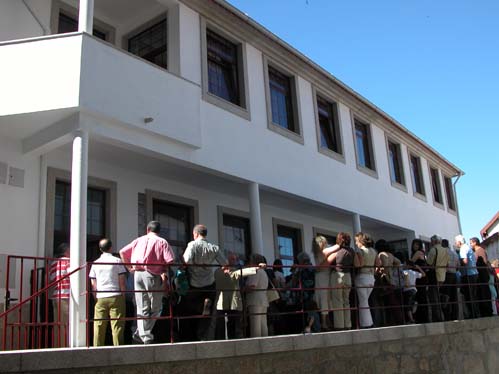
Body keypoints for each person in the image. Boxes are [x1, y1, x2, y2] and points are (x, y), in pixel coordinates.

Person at [119, 221, 174, 344]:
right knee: (157, 307)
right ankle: (146, 335)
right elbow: (170, 260)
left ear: (148, 230)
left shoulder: (138, 240)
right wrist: (164, 274)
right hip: (152, 275)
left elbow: (122, 252)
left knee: (142, 306)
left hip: (137, 274)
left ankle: (141, 334)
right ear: (159, 231)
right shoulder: (162, 242)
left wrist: (129, 269)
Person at [182, 224, 227, 341]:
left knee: (190, 312)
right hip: (210, 284)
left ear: (195, 234)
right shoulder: (214, 247)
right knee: (207, 315)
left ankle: (192, 338)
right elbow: (225, 263)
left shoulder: (192, 245)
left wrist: (194, 265)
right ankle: (203, 336)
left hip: (194, 284)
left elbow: (186, 260)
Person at [214, 252, 266, 339]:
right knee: (233, 326)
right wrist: (258, 267)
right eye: (232, 259)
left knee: (222, 325)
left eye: (234, 259)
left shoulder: (217, 271)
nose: (234, 262)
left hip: (221, 302)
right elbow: (242, 271)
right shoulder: (232, 271)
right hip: (233, 302)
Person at [89, 238, 127, 346]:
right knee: (117, 327)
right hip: (116, 295)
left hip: (101, 296)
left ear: (100, 249)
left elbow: (93, 284)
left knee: (99, 326)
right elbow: (122, 281)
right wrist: (123, 296)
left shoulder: (95, 263)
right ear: (111, 247)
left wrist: (96, 297)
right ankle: (118, 350)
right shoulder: (117, 261)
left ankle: (97, 349)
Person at [328, 232, 357, 330]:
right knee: (346, 301)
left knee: (338, 301)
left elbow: (328, 261)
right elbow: (356, 263)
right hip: (348, 276)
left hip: (338, 276)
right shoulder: (352, 251)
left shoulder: (338, 251)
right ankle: (348, 325)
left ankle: (339, 326)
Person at [375, 239, 403, 326]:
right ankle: (395, 320)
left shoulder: (381, 254)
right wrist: (392, 269)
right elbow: (398, 262)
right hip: (391, 280)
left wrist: (383, 273)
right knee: (392, 301)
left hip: (385, 280)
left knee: (388, 302)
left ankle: (393, 321)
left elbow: (386, 265)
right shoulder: (390, 254)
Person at [354, 232, 377, 329]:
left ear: (361, 241)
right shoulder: (374, 251)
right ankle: (368, 323)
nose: (356, 243)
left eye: (356, 241)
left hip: (362, 277)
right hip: (371, 278)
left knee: (363, 302)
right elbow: (378, 264)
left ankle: (366, 324)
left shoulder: (360, 251)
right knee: (365, 301)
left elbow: (359, 264)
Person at [49, 243, 70, 348]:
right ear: (66, 251)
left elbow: (50, 279)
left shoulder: (53, 263)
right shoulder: (68, 261)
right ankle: (65, 347)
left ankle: (56, 346)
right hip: (65, 296)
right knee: (65, 324)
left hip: (56, 295)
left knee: (57, 324)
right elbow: (73, 276)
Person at [455, 235, 479, 319]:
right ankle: (475, 314)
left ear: (459, 242)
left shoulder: (462, 249)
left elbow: (464, 261)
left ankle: (472, 315)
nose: (455, 243)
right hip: (473, 273)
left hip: (468, 274)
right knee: (473, 295)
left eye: (456, 241)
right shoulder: (467, 247)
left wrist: (458, 266)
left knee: (469, 296)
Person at [245, 254, 269, 337]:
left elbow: (252, 286)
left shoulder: (255, 271)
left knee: (255, 325)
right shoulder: (264, 272)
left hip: (255, 300)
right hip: (263, 299)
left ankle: (256, 343)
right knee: (263, 324)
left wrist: (243, 290)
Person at [426, 235, 449, 322]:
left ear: (434, 241)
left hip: (434, 275)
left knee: (433, 297)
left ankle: (437, 317)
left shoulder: (433, 249)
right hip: (442, 275)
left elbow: (429, 262)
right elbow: (447, 263)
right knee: (438, 295)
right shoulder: (445, 250)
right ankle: (443, 308)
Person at [312, 235, 332, 330]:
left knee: (323, 298)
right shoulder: (323, 251)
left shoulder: (317, 252)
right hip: (324, 276)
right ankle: (325, 322)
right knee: (325, 298)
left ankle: (326, 321)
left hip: (320, 276)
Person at [410, 239, 429, 323]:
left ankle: (422, 318)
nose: (415, 246)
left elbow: (410, 262)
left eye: (417, 244)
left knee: (420, 297)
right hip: (420, 277)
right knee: (421, 297)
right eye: (414, 244)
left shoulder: (418, 253)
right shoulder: (423, 253)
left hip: (420, 277)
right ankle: (423, 317)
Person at [441, 239, 460, 321]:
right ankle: (455, 316)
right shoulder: (454, 253)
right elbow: (458, 265)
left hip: (446, 275)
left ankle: (447, 316)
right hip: (454, 275)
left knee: (445, 296)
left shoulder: (442, 252)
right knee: (454, 296)